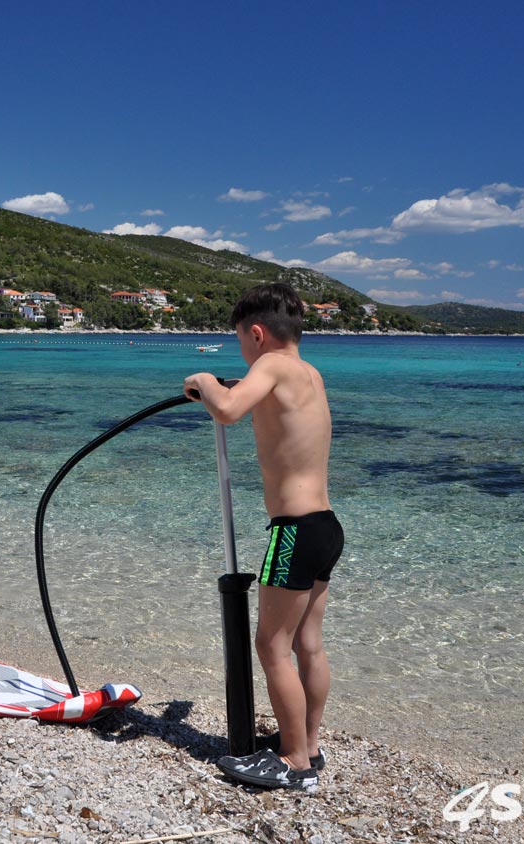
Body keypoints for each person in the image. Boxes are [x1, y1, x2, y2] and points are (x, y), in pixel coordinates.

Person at [184, 282, 343, 793]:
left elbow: (228, 410)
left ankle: (293, 762)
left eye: (240, 341)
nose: (242, 352)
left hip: (294, 530)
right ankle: (310, 745)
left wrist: (205, 381)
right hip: (326, 525)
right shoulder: (310, 374)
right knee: (307, 644)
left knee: (271, 645)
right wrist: (227, 387)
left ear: (256, 335)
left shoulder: (270, 367)